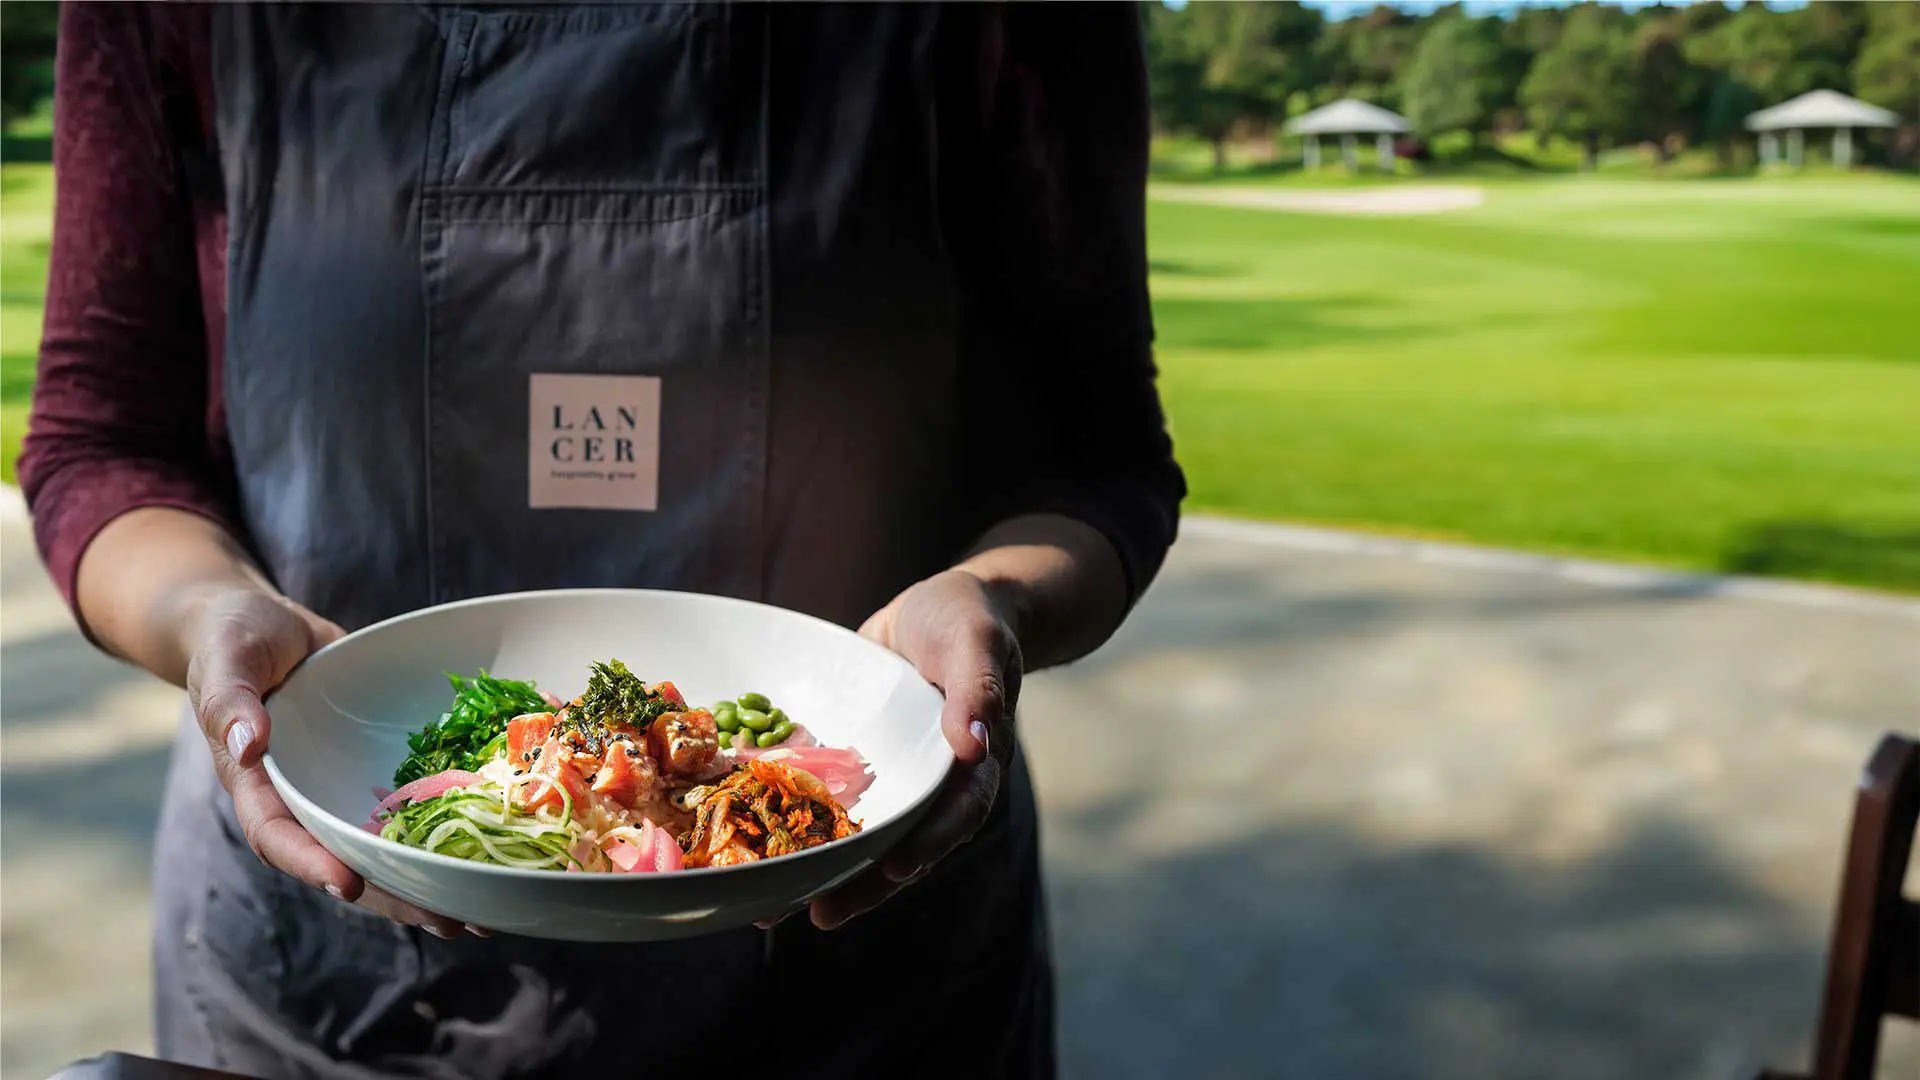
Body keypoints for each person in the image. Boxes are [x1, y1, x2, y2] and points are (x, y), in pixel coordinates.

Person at [21, 3, 1183, 1077]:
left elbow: (1098, 462)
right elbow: (100, 446)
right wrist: (207, 615)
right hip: (328, 967)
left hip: (871, 969)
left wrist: (996, 597)